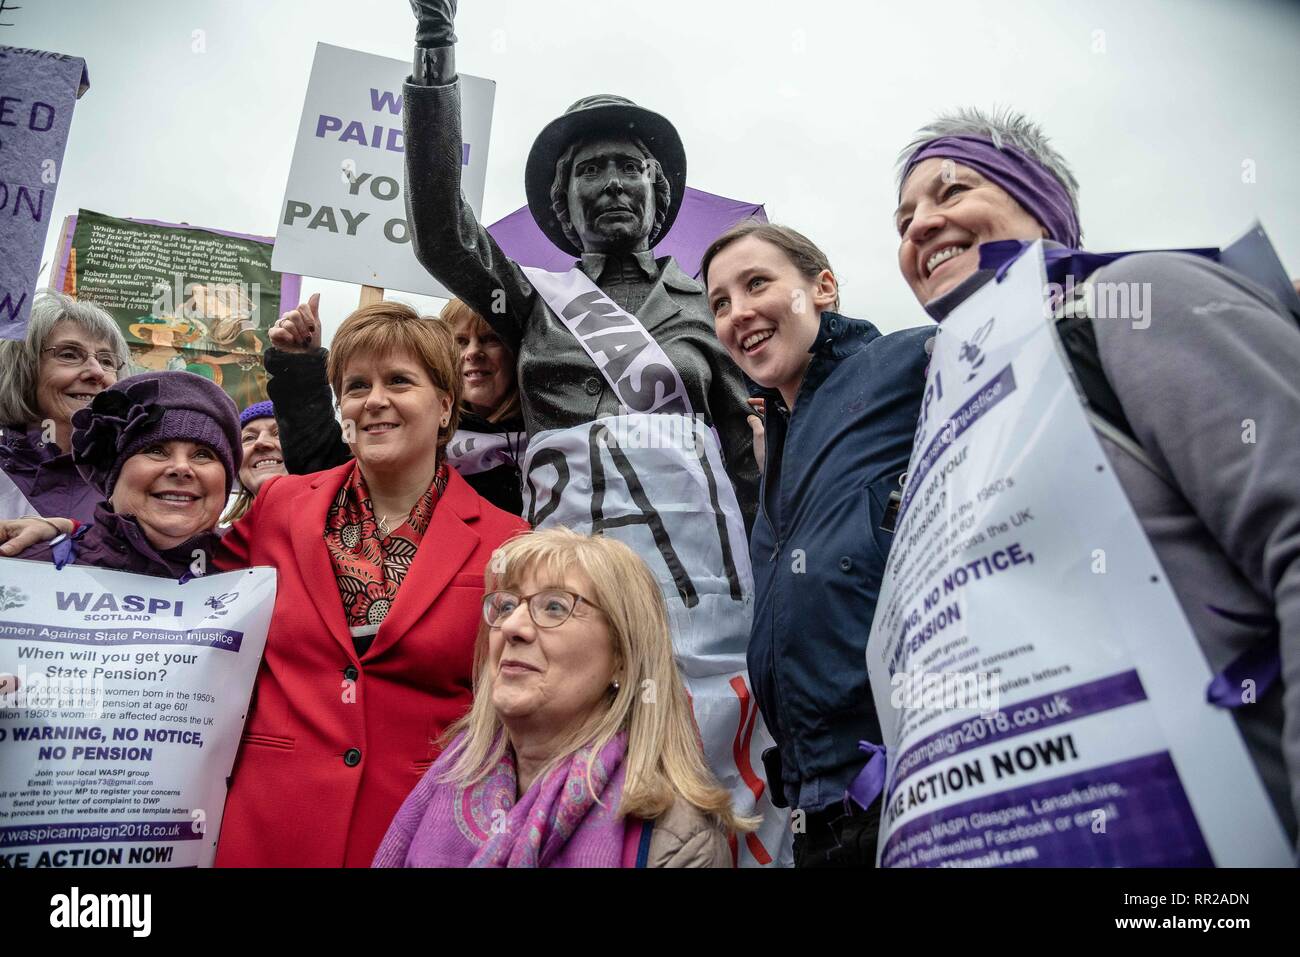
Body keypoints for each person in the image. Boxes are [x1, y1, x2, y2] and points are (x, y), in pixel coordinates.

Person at [395, 0, 783, 864]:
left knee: (702, 783)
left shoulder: (706, 307)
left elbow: (750, 469)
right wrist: (435, 45)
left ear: (658, 195)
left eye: (628, 169)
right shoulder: (533, 302)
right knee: (565, 768)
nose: (612, 183)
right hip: (567, 586)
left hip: (699, 598)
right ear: (563, 207)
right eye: (590, 173)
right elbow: (437, 227)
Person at [893, 107, 1300, 844]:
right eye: (903, 217)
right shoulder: (942, 439)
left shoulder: (1137, 301)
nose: (919, 225)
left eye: (951, 192)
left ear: (1039, 200)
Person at [211, 300, 528, 867]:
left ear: (445, 403)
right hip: (269, 826)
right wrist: (67, 535)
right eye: (356, 386)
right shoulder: (281, 506)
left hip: (421, 830)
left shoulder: (508, 541)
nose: (374, 400)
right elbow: (186, 592)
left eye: (399, 381)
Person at [701, 222, 932, 867]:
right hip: (819, 815)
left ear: (822, 288)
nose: (738, 312)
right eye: (720, 303)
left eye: (757, 283)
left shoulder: (902, 364)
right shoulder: (775, 445)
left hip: (910, 795)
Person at [372, 527, 748, 867]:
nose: (514, 627)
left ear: (622, 658)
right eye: (505, 606)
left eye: (554, 606)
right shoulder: (443, 785)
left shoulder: (676, 841)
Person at [267, 294, 527, 514]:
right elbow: (318, 461)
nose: (472, 352)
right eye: (460, 341)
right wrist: (301, 363)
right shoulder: (386, 442)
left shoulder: (553, 442)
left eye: (491, 338)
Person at [5, 370, 238, 577]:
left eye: (203, 455)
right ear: (112, 480)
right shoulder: (26, 573)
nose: (181, 468)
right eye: (155, 450)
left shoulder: (256, 575)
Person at [0, 290, 131, 525]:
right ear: (23, 369)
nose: (97, 372)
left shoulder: (141, 479)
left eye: (107, 361)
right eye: (69, 354)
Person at [220, 400, 288, 525]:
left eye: (278, 433)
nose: (260, 442)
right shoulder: (224, 542)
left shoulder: (334, 526)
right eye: (249, 438)